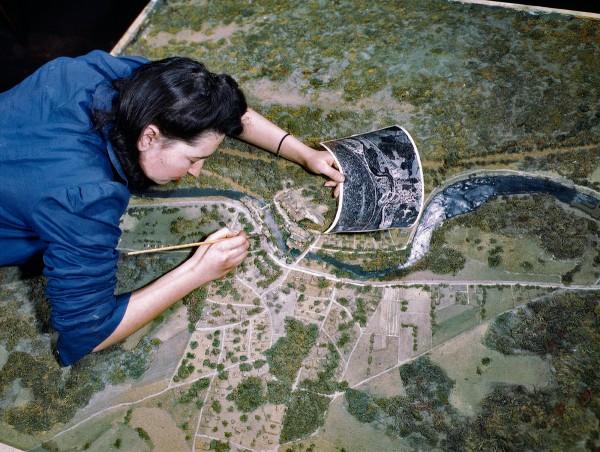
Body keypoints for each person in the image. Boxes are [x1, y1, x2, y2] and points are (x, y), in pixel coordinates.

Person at [0, 50, 344, 366]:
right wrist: (198, 271)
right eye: (194, 159)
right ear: (149, 137)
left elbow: (221, 112)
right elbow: (88, 334)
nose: (196, 172)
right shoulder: (86, 200)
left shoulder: (109, 78)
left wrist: (303, 154)